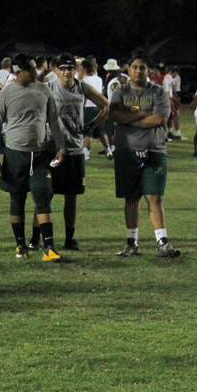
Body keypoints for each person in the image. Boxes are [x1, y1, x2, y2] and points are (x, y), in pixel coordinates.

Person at [0, 56, 66, 260]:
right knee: (17, 199)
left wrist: (60, 147)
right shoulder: (6, 95)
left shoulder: (43, 90)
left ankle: (49, 247)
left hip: (40, 154)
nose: (36, 72)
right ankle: (21, 246)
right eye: (31, 69)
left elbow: (54, 120)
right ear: (18, 72)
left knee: (43, 196)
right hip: (15, 154)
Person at [107, 52, 180, 257]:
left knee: (154, 197)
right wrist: (141, 115)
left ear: (149, 71)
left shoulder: (158, 92)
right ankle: (132, 243)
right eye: (135, 67)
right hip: (126, 152)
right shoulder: (119, 92)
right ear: (128, 70)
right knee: (131, 198)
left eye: (143, 67)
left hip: (154, 151)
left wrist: (128, 119)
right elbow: (114, 114)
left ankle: (162, 243)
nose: (139, 71)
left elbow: (159, 119)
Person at [47, 52, 106, 250]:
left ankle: (69, 239)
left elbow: (106, 105)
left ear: (75, 69)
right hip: (53, 150)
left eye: (70, 68)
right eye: (62, 68)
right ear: (56, 70)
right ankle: (38, 239)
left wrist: (92, 124)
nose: (66, 71)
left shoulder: (82, 87)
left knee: (71, 196)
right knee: (45, 194)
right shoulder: (49, 88)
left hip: (75, 150)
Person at [162, 64, 184, 140]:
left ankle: (170, 132)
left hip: (170, 98)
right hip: (168, 99)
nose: (177, 75)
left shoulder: (169, 77)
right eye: (176, 73)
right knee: (175, 115)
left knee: (170, 117)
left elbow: (171, 90)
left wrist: (174, 97)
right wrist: (170, 99)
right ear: (174, 72)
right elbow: (167, 90)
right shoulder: (168, 77)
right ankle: (176, 133)